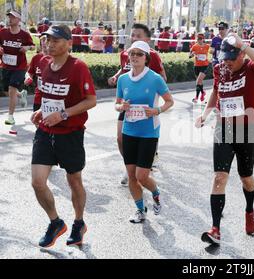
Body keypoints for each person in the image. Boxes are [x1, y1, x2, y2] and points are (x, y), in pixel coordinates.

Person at [195, 33, 254, 245]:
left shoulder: (250, 68)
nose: (226, 61)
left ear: (240, 55)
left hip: (246, 130)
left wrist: (245, 46)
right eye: (224, 57)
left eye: (230, 57)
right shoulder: (220, 69)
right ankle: (215, 229)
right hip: (224, 128)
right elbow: (216, 91)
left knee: (246, 178)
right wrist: (205, 114)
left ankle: (249, 210)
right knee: (219, 177)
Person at [30, 24, 97, 247]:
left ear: (69, 44)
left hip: (70, 133)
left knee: (74, 180)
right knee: (38, 183)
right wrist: (41, 111)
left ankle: (78, 223)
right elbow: (47, 94)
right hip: (45, 131)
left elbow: (91, 100)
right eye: (47, 40)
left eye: (55, 40)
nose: (49, 44)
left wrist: (63, 114)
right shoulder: (42, 63)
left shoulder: (78, 67)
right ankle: (55, 222)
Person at [115, 41, 174, 223]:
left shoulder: (155, 78)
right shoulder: (123, 79)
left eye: (139, 54)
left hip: (149, 133)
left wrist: (156, 110)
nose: (134, 57)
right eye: (132, 54)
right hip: (129, 131)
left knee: (142, 176)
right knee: (132, 175)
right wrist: (121, 106)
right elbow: (117, 104)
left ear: (146, 58)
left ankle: (155, 193)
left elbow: (169, 101)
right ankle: (140, 210)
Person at [107, 23, 167, 186]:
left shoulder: (152, 56)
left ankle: (147, 159)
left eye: (138, 35)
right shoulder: (125, 54)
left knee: (144, 137)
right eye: (132, 35)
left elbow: (162, 77)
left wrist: (150, 87)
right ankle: (130, 167)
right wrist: (115, 76)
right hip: (127, 103)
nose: (134, 38)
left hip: (144, 106)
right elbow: (123, 70)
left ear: (147, 39)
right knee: (120, 139)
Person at [0, 10, 35, 125]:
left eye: (13, 17)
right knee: (7, 91)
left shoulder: (24, 34)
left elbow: (33, 46)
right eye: (9, 17)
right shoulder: (3, 32)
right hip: (5, 65)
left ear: (19, 20)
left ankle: (10, 117)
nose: (10, 19)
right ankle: (21, 95)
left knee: (11, 90)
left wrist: (27, 47)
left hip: (19, 67)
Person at [25, 35, 51, 112]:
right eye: (42, 42)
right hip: (39, 97)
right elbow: (29, 72)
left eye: (46, 41)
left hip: (53, 98)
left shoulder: (58, 58)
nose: (44, 44)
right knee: (37, 121)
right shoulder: (36, 58)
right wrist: (28, 77)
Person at [190, 33, 210, 103]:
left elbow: (212, 51)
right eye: (198, 39)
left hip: (205, 66)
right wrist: (192, 54)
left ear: (203, 39)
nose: (199, 40)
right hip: (197, 66)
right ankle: (202, 92)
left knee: (198, 81)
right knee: (199, 82)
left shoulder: (207, 46)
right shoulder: (194, 46)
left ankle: (196, 97)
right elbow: (190, 55)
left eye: (201, 39)